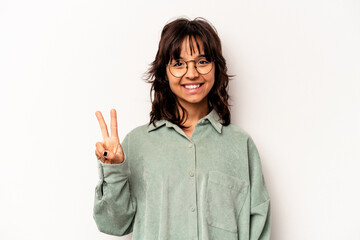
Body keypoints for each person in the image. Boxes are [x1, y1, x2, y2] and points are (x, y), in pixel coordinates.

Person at [93, 17, 271, 240]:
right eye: (178, 64)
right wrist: (114, 170)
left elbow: (258, 225)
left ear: (216, 67)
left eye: (202, 61)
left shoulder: (240, 145)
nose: (192, 73)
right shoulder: (136, 144)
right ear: (164, 73)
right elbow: (114, 224)